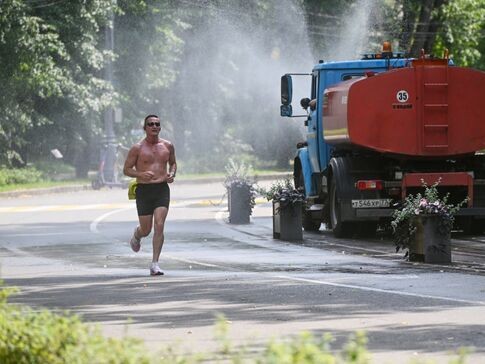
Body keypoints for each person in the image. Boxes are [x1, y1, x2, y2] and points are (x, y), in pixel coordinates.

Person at [123, 114, 177, 276]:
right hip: (144, 191)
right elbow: (126, 169)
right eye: (150, 124)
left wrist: (171, 174)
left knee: (159, 224)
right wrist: (139, 174)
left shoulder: (168, 146)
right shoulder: (137, 148)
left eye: (157, 124)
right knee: (146, 230)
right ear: (145, 128)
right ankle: (137, 235)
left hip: (161, 189)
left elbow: (173, 163)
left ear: (160, 127)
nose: (154, 126)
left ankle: (155, 264)